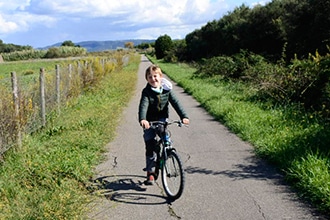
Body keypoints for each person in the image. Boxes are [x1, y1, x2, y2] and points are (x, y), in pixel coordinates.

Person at [138, 64, 189, 185]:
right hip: (149, 121)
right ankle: (150, 173)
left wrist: (184, 116)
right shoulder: (146, 92)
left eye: (155, 76)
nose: (153, 79)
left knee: (164, 135)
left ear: (160, 77)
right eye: (149, 77)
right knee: (150, 145)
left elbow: (176, 103)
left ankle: (168, 151)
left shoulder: (167, 90)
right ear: (147, 79)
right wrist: (143, 119)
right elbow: (143, 106)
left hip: (162, 118)